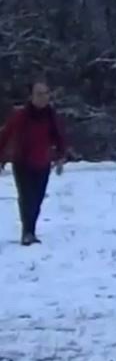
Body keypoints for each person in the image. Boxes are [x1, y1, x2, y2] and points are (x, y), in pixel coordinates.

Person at [0, 80, 70, 246]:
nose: (43, 98)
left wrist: (61, 156)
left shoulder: (50, 116)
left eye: (46, 94)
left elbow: (58, 136)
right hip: (22, 162)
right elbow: (5, 135)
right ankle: (27, 232)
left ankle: (31, 229)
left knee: (37, 199)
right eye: (39, 94)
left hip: (42, 162)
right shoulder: (20, 116)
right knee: (27, 198)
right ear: (31, 96)